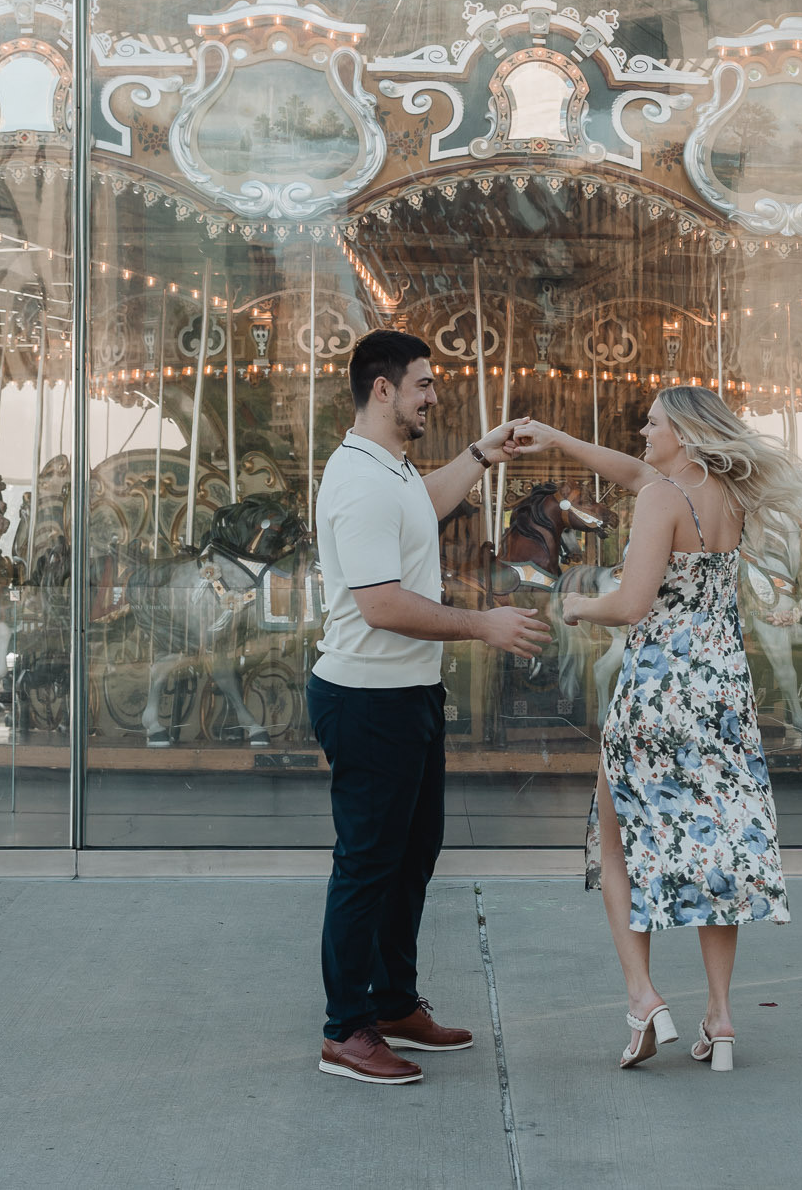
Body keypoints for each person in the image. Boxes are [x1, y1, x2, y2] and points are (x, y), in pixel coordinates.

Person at [511, 388, 802, 1073]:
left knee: (614, 831)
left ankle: (644, 997)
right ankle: (720, 1015)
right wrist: (559, 439)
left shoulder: (662, 500)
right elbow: (628, 469)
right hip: (720, 688)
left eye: (652, 423)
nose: (641, 431)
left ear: (682, 432)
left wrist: (575, 606)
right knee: (711, 836)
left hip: (659, 687)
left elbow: (632, 602)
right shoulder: (729, 494)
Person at [311, 330, 551, 1086]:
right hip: (366, 696)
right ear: (382, 389)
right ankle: (345, 1030)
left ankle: (391, 1004)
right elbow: (381, 605)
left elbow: (425, 502)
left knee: (412, 856)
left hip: (406, 692)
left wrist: (484, 453)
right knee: (367, 865)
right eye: (423, 383)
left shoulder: (392, 470)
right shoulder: (358, 481)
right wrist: (484, 624)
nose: (432, 395)